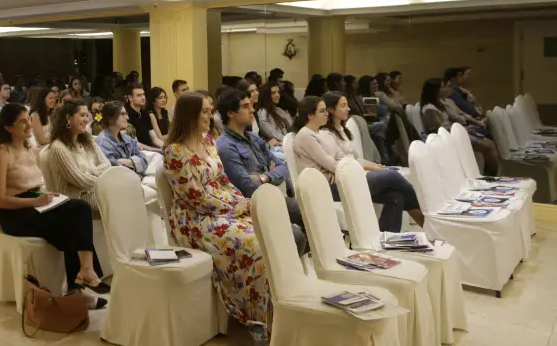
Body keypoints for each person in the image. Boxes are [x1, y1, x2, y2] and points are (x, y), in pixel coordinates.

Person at [163, 92, 271, 344]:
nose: (210, 116)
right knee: (254, 245)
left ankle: (270, 309)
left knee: (269, 233)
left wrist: (241, 201)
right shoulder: (174, 151)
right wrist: (236, 207)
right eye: (204, 111)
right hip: (194, 219)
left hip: (223, 207)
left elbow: (223, 181)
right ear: (189, 115)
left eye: (210, 110)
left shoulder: (209, 141)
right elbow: (195, 197)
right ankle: (255, 319)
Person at [0, 103, 109, 304]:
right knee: (69, 226)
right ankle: (77, 290)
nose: (29, 125)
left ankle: (85, 271)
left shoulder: (31, 149)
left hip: (37, 201)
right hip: (15, 213)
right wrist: (35, 201)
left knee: (80, 208)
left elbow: (37, 183)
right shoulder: (2, 154)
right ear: (9, 128)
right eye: (22, 122)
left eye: (28, 119)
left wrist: (47, 196)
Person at [293, 94, 423, 232]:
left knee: (396, 196)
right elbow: (332, 164)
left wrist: (337, 167)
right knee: (391, 175)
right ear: (310, 115)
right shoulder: (305, 136)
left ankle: (386, 239)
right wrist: (336, 168)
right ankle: (424, 221)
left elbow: (341, 158)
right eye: (322, 111)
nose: (326, 114)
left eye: (326, 110)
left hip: (341, 178)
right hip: (328, 185)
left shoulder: (319, 133)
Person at [216, 89, 306, 254]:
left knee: (310, 214)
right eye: (245, 106)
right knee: (296, 237)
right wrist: (271, 176)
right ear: (230, 113)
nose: (252, 110)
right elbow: (247, 186)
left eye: (251, 105)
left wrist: (263, 177)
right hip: (253, 203)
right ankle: (284, 276)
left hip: (272, 195)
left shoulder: (254, 138)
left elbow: (283, 167)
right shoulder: (226, 146)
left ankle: (305, 267)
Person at [42, 98, 112, 211]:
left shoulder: (88, 141)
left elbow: (107, 165)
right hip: (72, 201)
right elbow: (80, 180)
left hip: (93, 190)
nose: (86, 119)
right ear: (68, 118)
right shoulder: (58, 147)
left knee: (130, 190)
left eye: (87, 115)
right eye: (82, 115)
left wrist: (89, 172)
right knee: (115, 195)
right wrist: (106, 180)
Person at [421, 78, 501, 175]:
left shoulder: (441, 103)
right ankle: (492, 176)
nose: (445, 88)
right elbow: (439, 129)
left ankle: (491, 174)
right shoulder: (430, 109)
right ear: (434, 90)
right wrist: (462, 130)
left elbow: (454, 117)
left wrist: (464, 128)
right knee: (488, 147)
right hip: (447, 137)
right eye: (442, 87)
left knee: (490, 144)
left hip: (454, 132)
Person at [95, 101, 149, 175]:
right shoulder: (103, 143)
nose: (127, 117)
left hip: (136, 178)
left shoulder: (126, 138)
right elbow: (118, 172)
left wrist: (129, 162)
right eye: (122, 114)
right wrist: (136, 164)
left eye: (126, 113)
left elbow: (144, 161)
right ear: (110, 119)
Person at [126, 84, 161, 151]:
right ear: (130, 98)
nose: (143, 97)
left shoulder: (145, 114)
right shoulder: (126, 115)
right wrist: (157, 150)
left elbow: (155, 139)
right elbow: (134, 143)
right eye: (139, 95)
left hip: (151, 150)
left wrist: (166, 147)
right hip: (136, 151)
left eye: (143, 94)